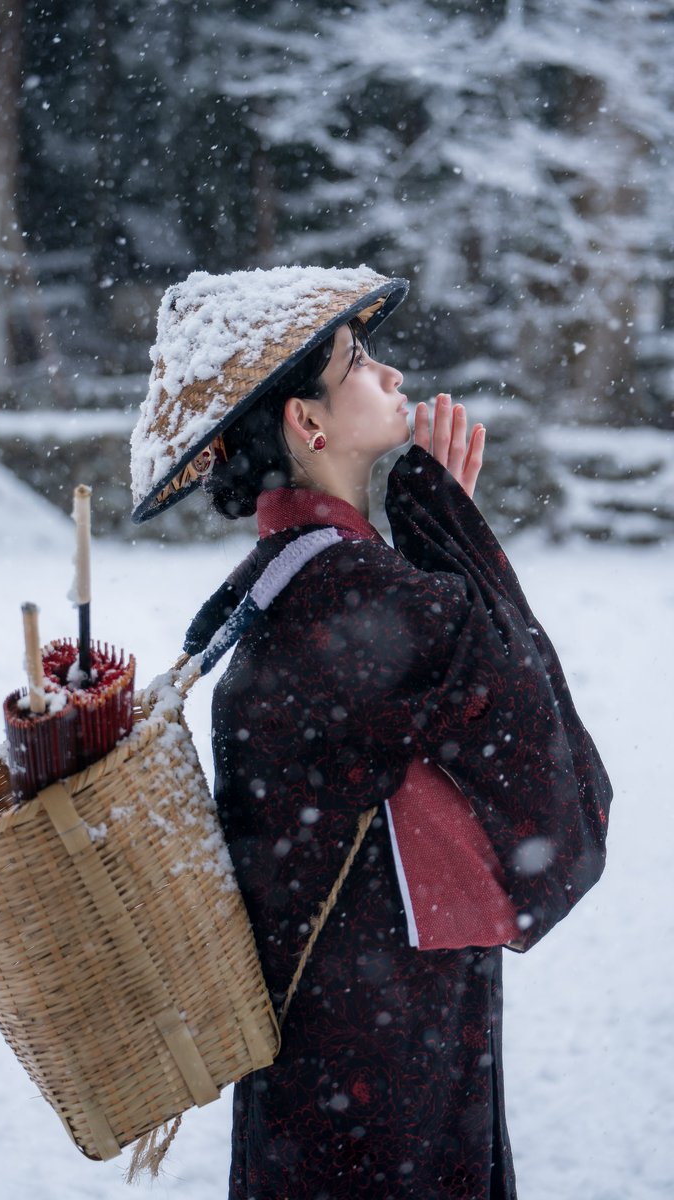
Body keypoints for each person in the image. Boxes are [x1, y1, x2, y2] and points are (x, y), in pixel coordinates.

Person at [130, 266, 612, 1200]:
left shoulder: (286, 581)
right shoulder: (355, 592)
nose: (391, 374)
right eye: (357, 362)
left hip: (331, 1038)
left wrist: (433, 539)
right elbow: (546, 756)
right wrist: (444, 524)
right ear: (306, 424)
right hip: (386, 1042)